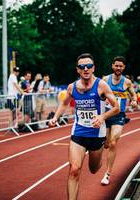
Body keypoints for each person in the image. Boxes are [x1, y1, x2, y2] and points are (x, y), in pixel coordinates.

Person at [49, 53, 120, 200]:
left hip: (97, 135)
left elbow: (116, 107)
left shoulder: (101, 85)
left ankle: (100, 156)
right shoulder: (72, 87)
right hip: (78, 133)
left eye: (89, 66)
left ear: (93, 68)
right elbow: (64, 103)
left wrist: (102, 117)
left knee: (93, 169)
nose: (85, 69)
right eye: (82, 67)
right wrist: (55, 117)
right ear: (78, 70)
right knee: (74, 170)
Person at [101, 56, 138, 185]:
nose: (118, 68)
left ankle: (107, 174)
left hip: (119, 115)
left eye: (120, 66)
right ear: (112, 66)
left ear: (124, 67)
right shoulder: (105, 80)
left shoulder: (127, 82)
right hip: (106, 115)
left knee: (113, 142)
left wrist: (133, 101)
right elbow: (99, 93)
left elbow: (133, 94)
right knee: (105, 143)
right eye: (116, 65)